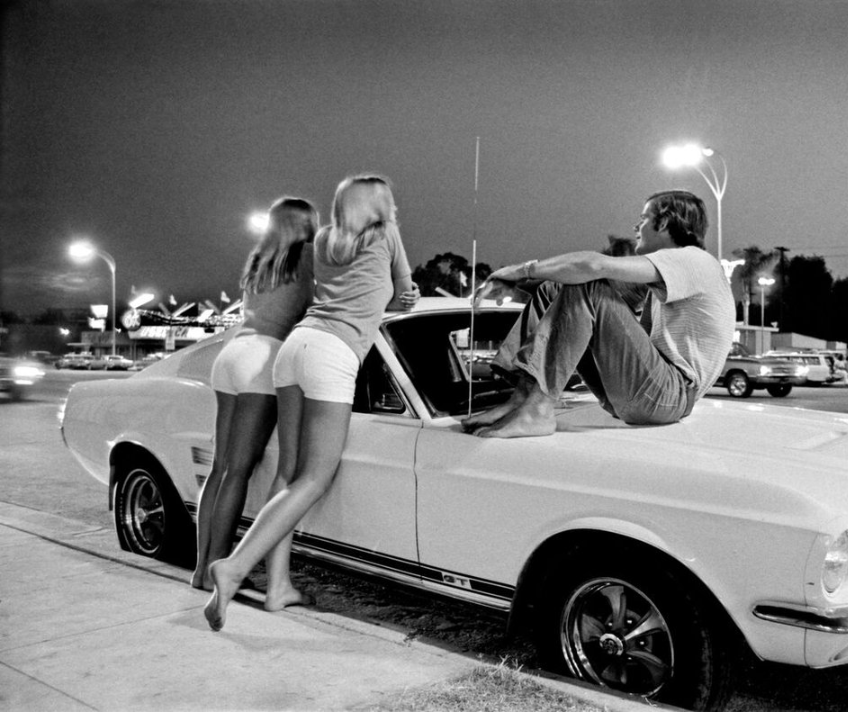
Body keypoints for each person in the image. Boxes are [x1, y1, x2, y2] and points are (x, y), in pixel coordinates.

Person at [204, 174, 419, 631]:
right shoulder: (387, 234)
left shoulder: (322, 239)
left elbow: (328, 293)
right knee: (316, 477)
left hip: (293, 350)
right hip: (334, 353)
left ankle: (277, 587)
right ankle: (235, 565)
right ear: (381, 206)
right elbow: (404, 293)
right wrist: (397, 299)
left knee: (286, 472)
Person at [464, 189, 735, 439]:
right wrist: (518, 285)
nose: (635, 227)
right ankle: (522, 399)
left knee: (588, 283)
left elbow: (593, 267)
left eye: (643, 218)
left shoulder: (695, 261)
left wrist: (521, 270)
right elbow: (576, 301)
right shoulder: (669, 275)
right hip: (647, 392)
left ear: (663, 223)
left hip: (667, 396)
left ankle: (539, 410)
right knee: (556, 287)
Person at [191, 197, 318, 591]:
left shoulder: (260, 260)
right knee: (239, 472)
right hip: (264, 358)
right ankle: (219, 570)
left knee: (220, 469)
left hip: (231, 355)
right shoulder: (307, 255)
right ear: (305, 225)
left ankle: (200, 569)